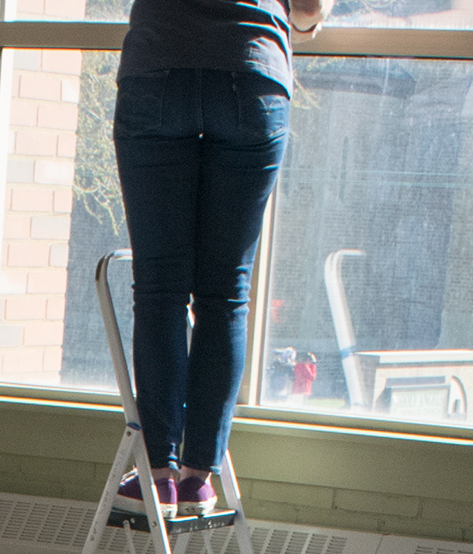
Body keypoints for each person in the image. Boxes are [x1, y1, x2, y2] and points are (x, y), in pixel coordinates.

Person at [113, 0, 323, 515]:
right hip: (251, 70)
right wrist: (305, 21)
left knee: (159, 287)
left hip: (158, 64)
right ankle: (197, 477)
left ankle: (157, 476)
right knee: (226, 291)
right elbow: (308, 8)